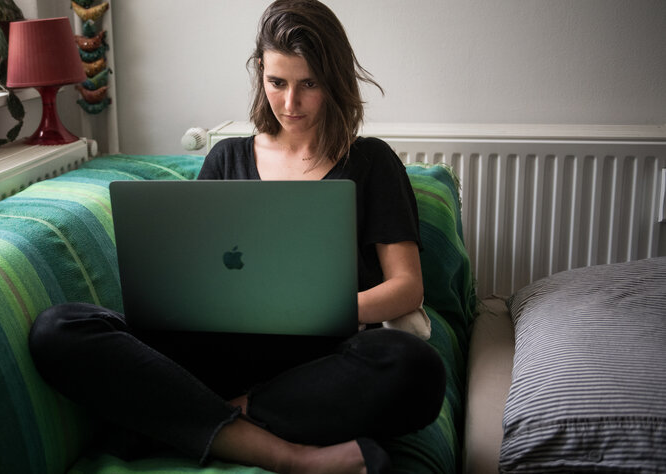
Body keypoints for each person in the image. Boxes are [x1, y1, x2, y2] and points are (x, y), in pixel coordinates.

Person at [29, 1, 445, 472]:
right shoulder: (226, 159)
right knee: (59, 329)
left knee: (415, 368)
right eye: (277, 82)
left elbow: (406, 288)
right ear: (260, 74)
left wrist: (314, 312)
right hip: (217, 353)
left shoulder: (372, 162)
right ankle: (288, 455)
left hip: (316, 362)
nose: (291, 103)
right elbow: (196, 276)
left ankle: (195, 418)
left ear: (335, 81)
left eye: (309, 84)